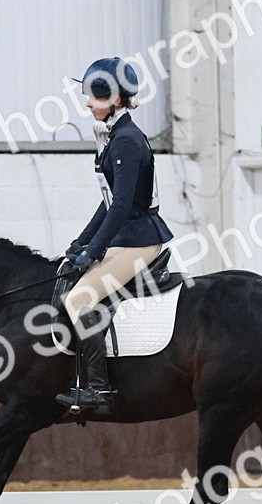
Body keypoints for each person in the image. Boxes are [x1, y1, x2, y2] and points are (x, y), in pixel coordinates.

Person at [56, 57, 174, 411]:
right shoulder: (114, 135)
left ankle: (98, 388)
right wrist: (80, 242)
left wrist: (93, 251)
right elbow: (107, 202)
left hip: (140, 238)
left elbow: (121, 206)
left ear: (116, 100)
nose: (87, 103)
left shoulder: (125, 140)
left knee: (78, 300)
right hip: (127, 235)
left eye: (94, 96)